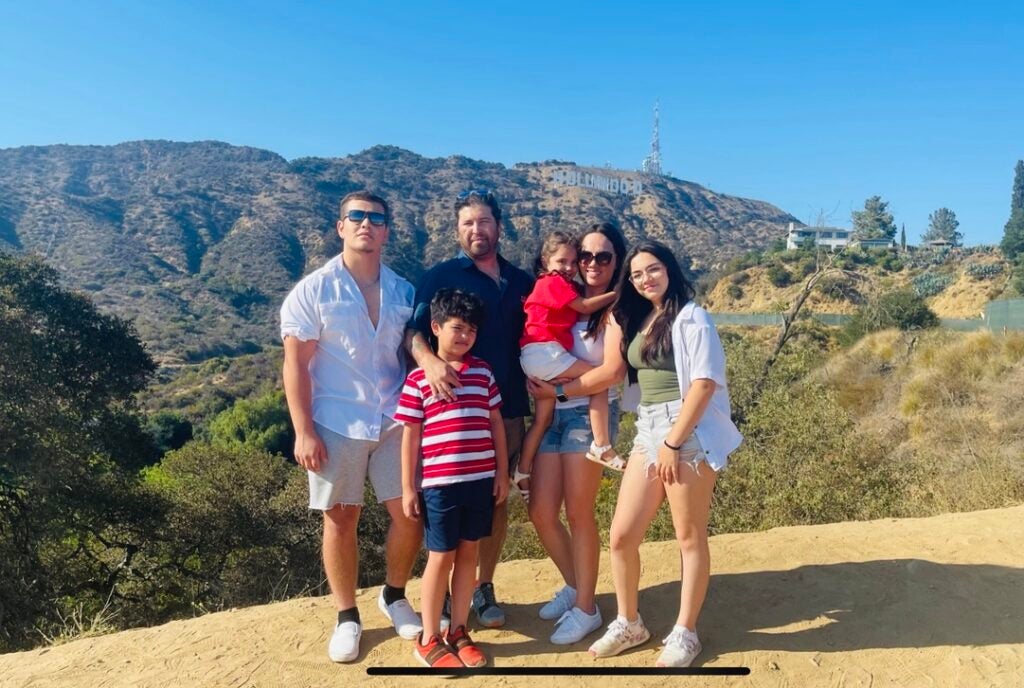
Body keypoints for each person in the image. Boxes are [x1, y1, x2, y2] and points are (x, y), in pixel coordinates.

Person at [280, 190, 423, 663]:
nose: (366, 224)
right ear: (340, 226)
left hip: (394, 416)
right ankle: (346, 617)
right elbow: (295, 365)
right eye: (356, 217)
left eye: (375, 218)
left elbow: (412, 351)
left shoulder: (403, 290)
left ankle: (395, 595)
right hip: (336, 419)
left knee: (409, 512)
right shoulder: (313, 290)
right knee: (341, 517)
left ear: (386, 230)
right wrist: (303, 430)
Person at [584, 240, 742, 667]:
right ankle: (630, 621)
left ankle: (685, 632)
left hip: (684, 431)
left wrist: (673, 442)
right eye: (636, 274)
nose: (645, 279)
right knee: (622, 535)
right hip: (647, 427)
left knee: (688, 537)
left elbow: (704, 383)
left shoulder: (692, 317)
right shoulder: (640, 318)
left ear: (669, 269)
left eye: (652, 269)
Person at [404, 189, 534, 628]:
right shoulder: (441, 276)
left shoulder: (520, 282)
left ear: (498, 225)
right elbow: (412, 332)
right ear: (457, 230)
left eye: (482, 221)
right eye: (466, 224)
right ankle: (438, 599)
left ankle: (483, 588)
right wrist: (431, 362)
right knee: (442, 502)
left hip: (507, 409)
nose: (475, 230)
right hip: (449, 414)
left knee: (496, 500)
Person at [520, 223, 628, 645]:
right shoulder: (566, 297)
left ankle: (587, 607)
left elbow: (612, 373)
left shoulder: (616, 309)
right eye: (585, 256)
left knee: (579, 514)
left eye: (603, 257)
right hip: (554, 413)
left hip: (586, 414)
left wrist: (558, 389)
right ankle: (575, 585)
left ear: (617, 261)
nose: (591, 263)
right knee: (542, 512)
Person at [396, 288, 509, 668]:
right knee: (440, 557)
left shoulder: (483, 372)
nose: (464, 336)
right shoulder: (417, 381)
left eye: (471, 330)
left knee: (469, 555)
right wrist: (408, 487)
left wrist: (502, 474)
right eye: (457, 328)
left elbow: (495, 423)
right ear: (436, 327)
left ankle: (458, 631)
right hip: (439, 486)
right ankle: (429, 638)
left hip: (480, 481)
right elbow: (410, 435)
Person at [515, 231, 621, 488]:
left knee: (541, 420)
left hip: (534, 356)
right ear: (545, 261)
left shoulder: (547, 285)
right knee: (598, 379)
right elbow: (584, 307)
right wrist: (617, 294)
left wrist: (555, 392)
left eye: (574, 262)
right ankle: (602, 444)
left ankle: (522, 471)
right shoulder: (553, 282)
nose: (570, 268)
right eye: (563, 261)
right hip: (546, 352)